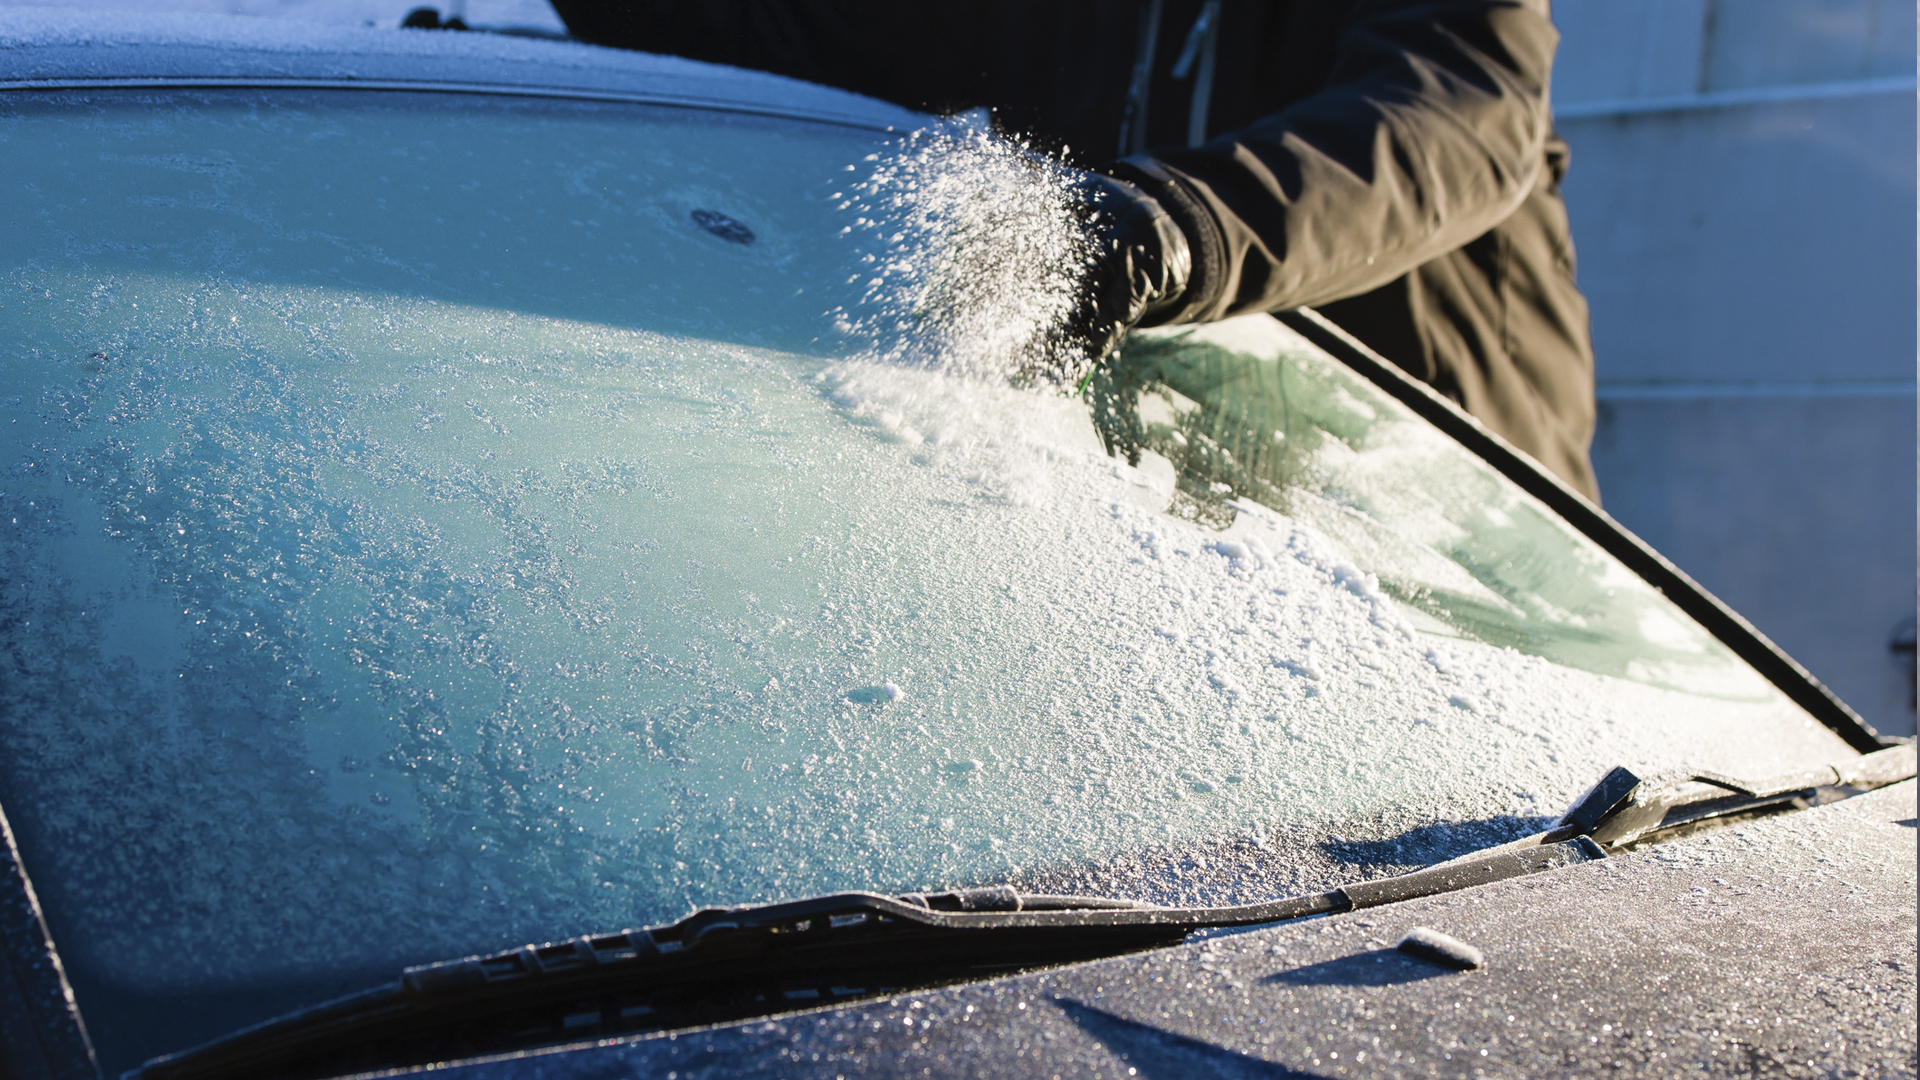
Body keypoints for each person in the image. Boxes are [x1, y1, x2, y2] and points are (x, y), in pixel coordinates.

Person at [546, 0, 1599, 501]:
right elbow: (805, 42)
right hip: (1204, 515)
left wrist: (1174, 226)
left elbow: (1465, 112)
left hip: (1453, 500)